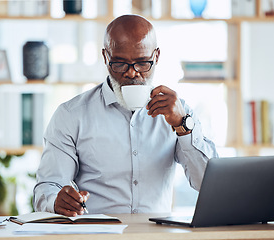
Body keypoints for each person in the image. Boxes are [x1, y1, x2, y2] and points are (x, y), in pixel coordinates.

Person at [33, 14, 218, 217]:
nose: (132, 73)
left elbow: (209, 184)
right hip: (97, 234)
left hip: (156, 235)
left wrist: (182, 126)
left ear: (156, 57)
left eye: (142, 63)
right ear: (105, 57)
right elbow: (47, 188)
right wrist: (56, 200)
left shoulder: (179, 112)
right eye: (120, 63)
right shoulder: (71, 115)